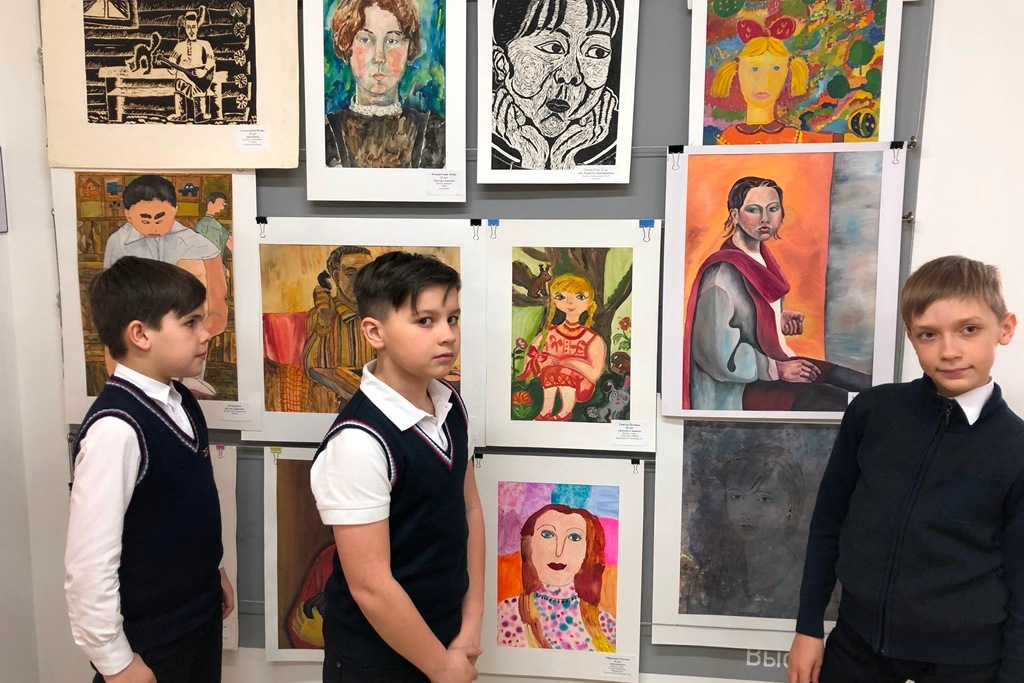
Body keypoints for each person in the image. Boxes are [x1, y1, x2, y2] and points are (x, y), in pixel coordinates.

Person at [788, 255, 1024, 683]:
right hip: (857, 646)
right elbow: (828, 523)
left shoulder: (1016, 448)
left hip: (965, 662)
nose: (949, 351)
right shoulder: (872, 412)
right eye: (929, 334)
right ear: (911, 338)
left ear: (1005, 329)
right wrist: (808, 626)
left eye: (969, 329)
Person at [309, 251, 483, 683]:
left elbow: (470, 510)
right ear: (375, 332)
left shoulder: (449, 403)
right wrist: (441, 667)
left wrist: (471, 622)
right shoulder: (359, 441)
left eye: (452, 318)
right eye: (425, 321)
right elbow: (371, 586)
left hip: (447, 637)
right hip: (377, 660)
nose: (447, 335)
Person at [65, 256, 234, 683]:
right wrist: (116, 663)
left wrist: (213, 571)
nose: (206, 334)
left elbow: (183, 511)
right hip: (151, 640)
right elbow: (89, 565)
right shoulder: (116, 429)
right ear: (140, 334)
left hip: (197, 616)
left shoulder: (182, 399)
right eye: (190, 323)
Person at [683, 176, 870, 412]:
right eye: (753, 210)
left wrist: (776, 320)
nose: (765, 218)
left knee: (863, 384)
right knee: (835, 401)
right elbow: (717, 356)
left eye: (773, 209)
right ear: (735, 215)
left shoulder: (761, 260)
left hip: (770, 366)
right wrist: (777, 369)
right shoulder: (722, 273)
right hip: (736, 388)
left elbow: (746, 314)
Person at [103, 174, 228, 398]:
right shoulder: (118, 243)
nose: (153, 225)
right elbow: (111, 301)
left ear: (175, 210)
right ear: (128, 214)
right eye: (145, 219)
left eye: (160, 218)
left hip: (187, 347)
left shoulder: (199, 245)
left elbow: (218, 304)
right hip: (138, 344)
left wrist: (196, 331)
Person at [491, 0, 620, 170]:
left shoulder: (618, 142)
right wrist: (531, 159)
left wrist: (564, 160)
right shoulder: (480, 137)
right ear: (502, 64)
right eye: (553, 48)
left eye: (597, 52)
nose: (571, 75)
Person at [685, 444, 804, 618]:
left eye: (764, 499)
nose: (746, 511)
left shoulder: (805, 580)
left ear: (791, 506)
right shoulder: (713, 573)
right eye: (736, 496)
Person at [324, 0, 445, 168]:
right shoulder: (327, 132)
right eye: (365, 39)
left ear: (409, 47)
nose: (379, 57)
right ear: (347, 45)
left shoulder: (433, 133)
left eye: (392, 41)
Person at [497, 503, 616, 651]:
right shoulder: (506, 613)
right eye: (547, 534)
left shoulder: (606, 625)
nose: (559, 551)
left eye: (574, 537)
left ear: (588, 551)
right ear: (529, 545)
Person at [708, 16, 842, 145]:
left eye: (776, 69)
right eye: (754, 69)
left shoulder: (795, 138)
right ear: (738, 70)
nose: (764, 81)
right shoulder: (728, 139)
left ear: (787, 72)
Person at [516, 272, 608, 421]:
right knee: (554, 370)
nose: (570, 303)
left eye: (580, 297)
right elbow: (532, 357)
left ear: (589, 303)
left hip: (582, 385)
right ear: (554, 301)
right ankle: (545, 411)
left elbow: (594, 373)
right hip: (550, 379)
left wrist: (569, 363)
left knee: (563, 370)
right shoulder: (549, 334)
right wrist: (544, 362)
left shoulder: (592, 339)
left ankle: (564, 412)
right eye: (561, 297)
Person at [302, 245, 376, 401]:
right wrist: (324, 322)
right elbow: (310, 368)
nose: (360, 282)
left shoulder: (380, 314)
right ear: (336, 277)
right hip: (333, 399)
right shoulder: (319, 314)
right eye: (350, 274)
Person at [166, 8, 217, 123]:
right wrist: (172, 67)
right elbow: (172, 60)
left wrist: (204, 70)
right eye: (188, 27)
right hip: (183, 76)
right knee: (180, 83)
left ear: (197, 27)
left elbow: (211, 60)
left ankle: (199, 114)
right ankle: (181, 114)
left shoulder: (205, 44)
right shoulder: (180, 46)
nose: (191, 30)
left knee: (198, 86)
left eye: (193, 27)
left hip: (199, 75)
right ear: (185, 28)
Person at [194, 192, 231, 260]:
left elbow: (230, 242)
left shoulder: (218, 226)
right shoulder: (203, 225)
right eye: (221, 204)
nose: (223, 207)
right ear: (210, 204)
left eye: (224, 205)